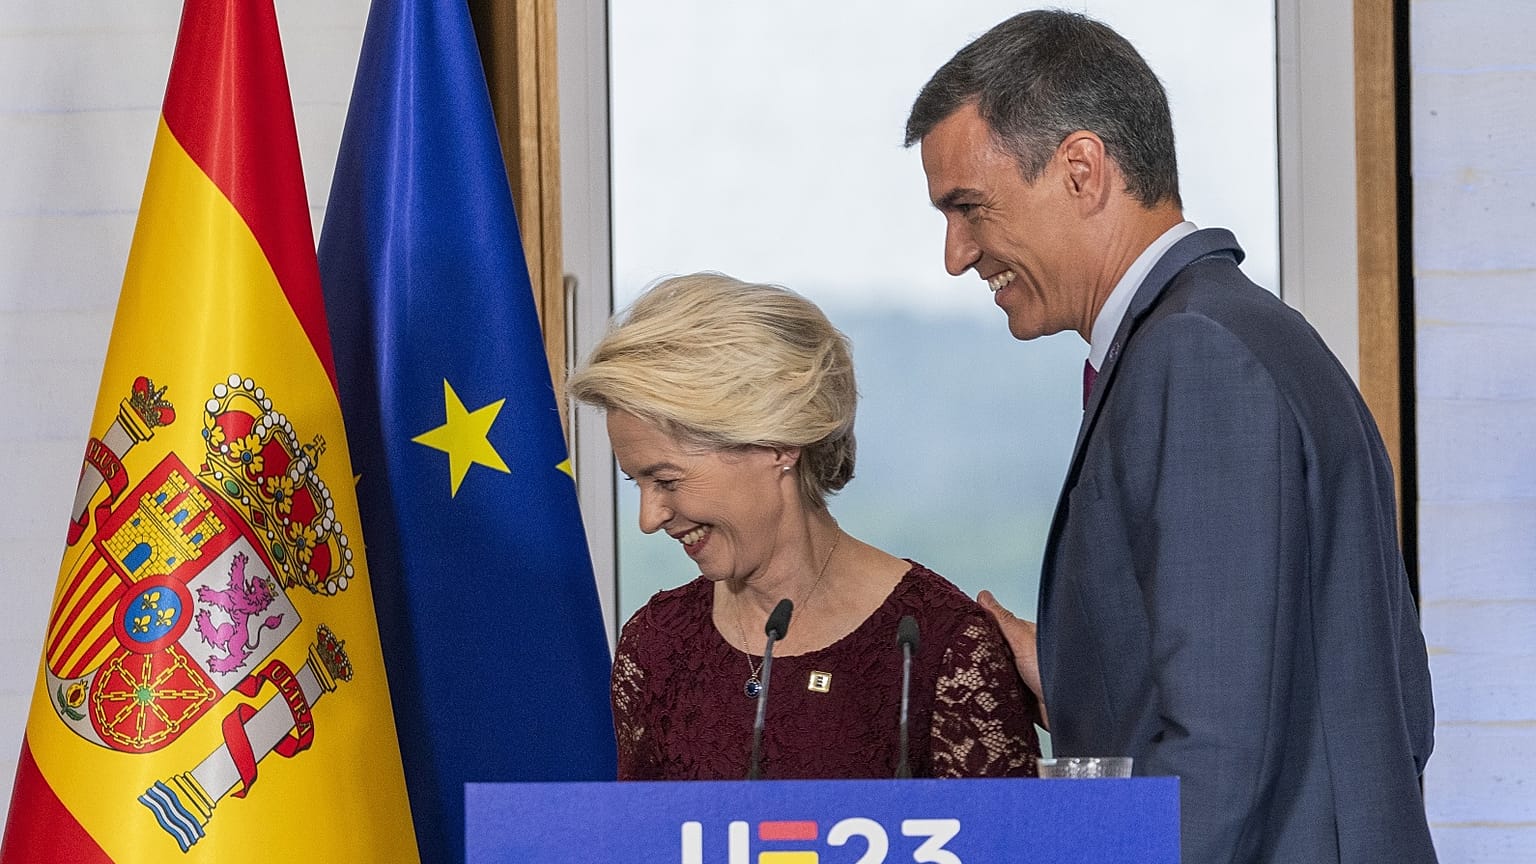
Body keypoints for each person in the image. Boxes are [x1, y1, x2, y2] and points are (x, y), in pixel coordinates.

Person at [904, 10, 1436, 863]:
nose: (956, 254)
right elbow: (1369, 698)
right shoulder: (1242, 332)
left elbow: (1219, 754)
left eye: (970, 208)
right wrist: (1080, 680)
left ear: (1081, 169)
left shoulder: (1198, 355)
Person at [568, 272, 1040, 780]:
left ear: (777, 444)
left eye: (666, 480)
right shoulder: (657, 644)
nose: (648, 518)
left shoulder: (938, 645)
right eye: (635, 483)